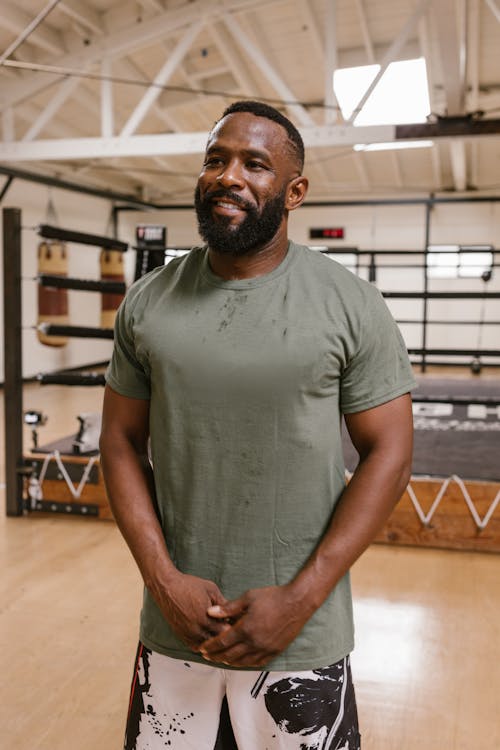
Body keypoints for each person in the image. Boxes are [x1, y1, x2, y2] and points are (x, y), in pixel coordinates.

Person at [100, 100, 415, 750]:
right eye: (216, 159)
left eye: (254, 164)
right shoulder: (149, 302)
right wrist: (164, 581)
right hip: (174, 627)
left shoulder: (350, 304)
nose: (229, 176)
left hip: (302, 640)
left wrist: (300, 600)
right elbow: (121, 443)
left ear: (295, 191)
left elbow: (390, 451)